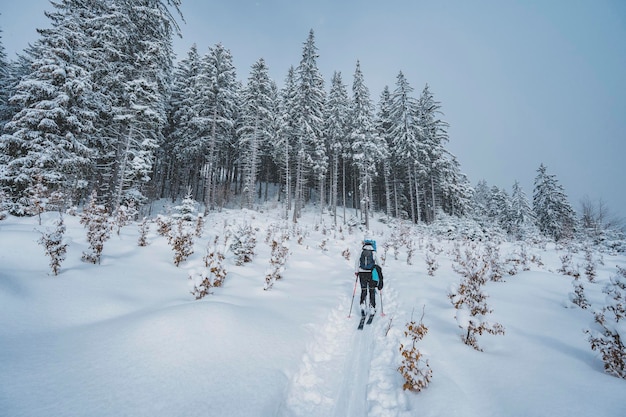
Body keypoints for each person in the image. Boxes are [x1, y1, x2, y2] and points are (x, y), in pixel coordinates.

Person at [356, 239, 378, 316]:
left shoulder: (361, 251)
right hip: (371, 273)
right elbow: (378, 264)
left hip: (362, 273)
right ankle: (372, 308)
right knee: (372, 290)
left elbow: (356, 261)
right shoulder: (373, 252)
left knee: (363, 290)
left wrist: (356, 271)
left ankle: (362, 306)